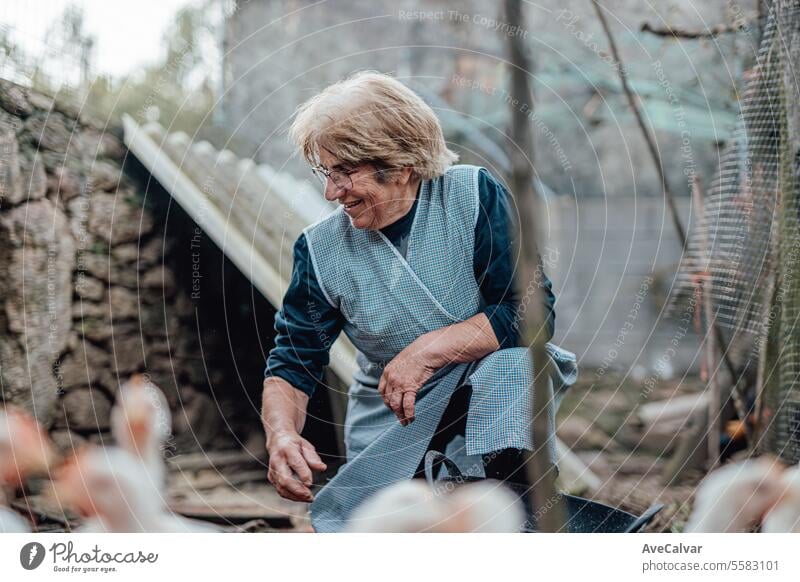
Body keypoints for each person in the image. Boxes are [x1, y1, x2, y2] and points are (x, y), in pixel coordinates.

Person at [261, 71, 577, 532]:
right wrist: (282, 434)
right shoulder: (320, 251)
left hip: (488, 399)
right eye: (325, 173)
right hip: (396, 419)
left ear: (401, 162)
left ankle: (520, 518)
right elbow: (293, 361)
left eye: (345, 172)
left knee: (512, 365)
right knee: (387, 527)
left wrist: (424, 352)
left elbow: (529, 313)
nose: (331, 192)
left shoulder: (472, 196)